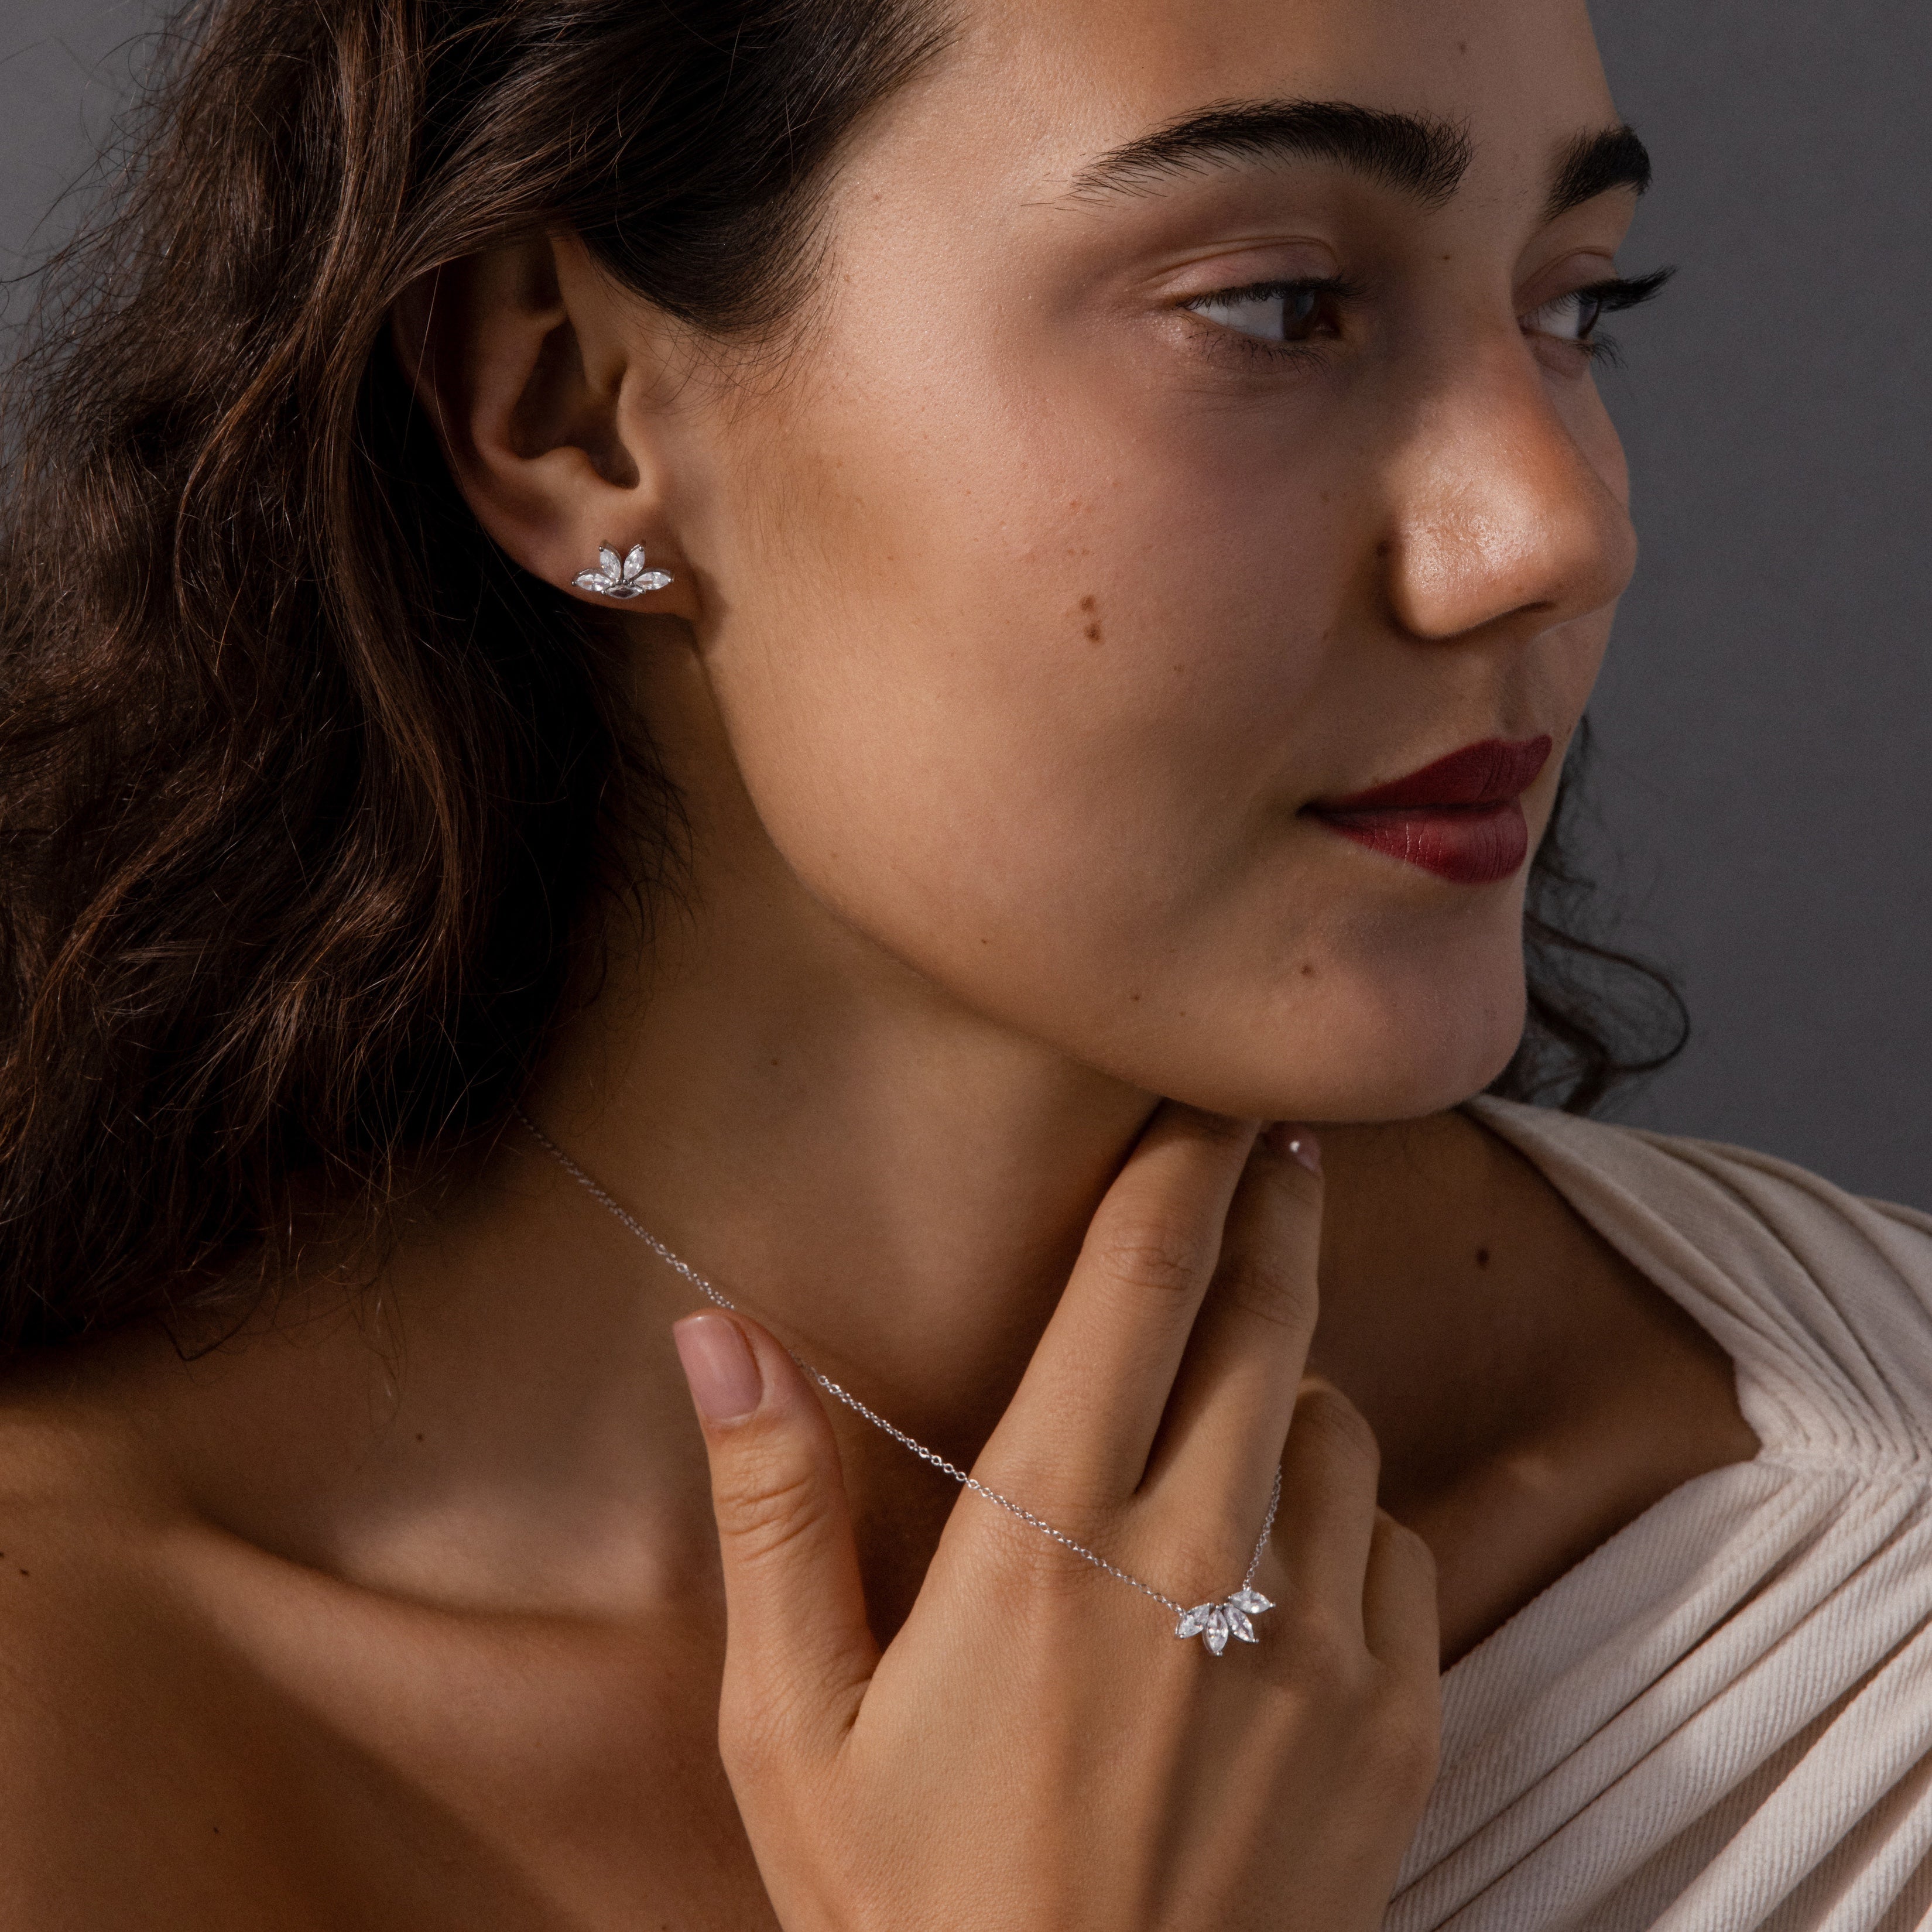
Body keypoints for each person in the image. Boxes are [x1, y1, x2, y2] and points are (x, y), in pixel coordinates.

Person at [1, 0, 1927, 1925]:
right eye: (1271, 305)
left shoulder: (1859, 1626)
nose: (1554, 528)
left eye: (1570, 301)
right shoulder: (74, 1684)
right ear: (572, 411)